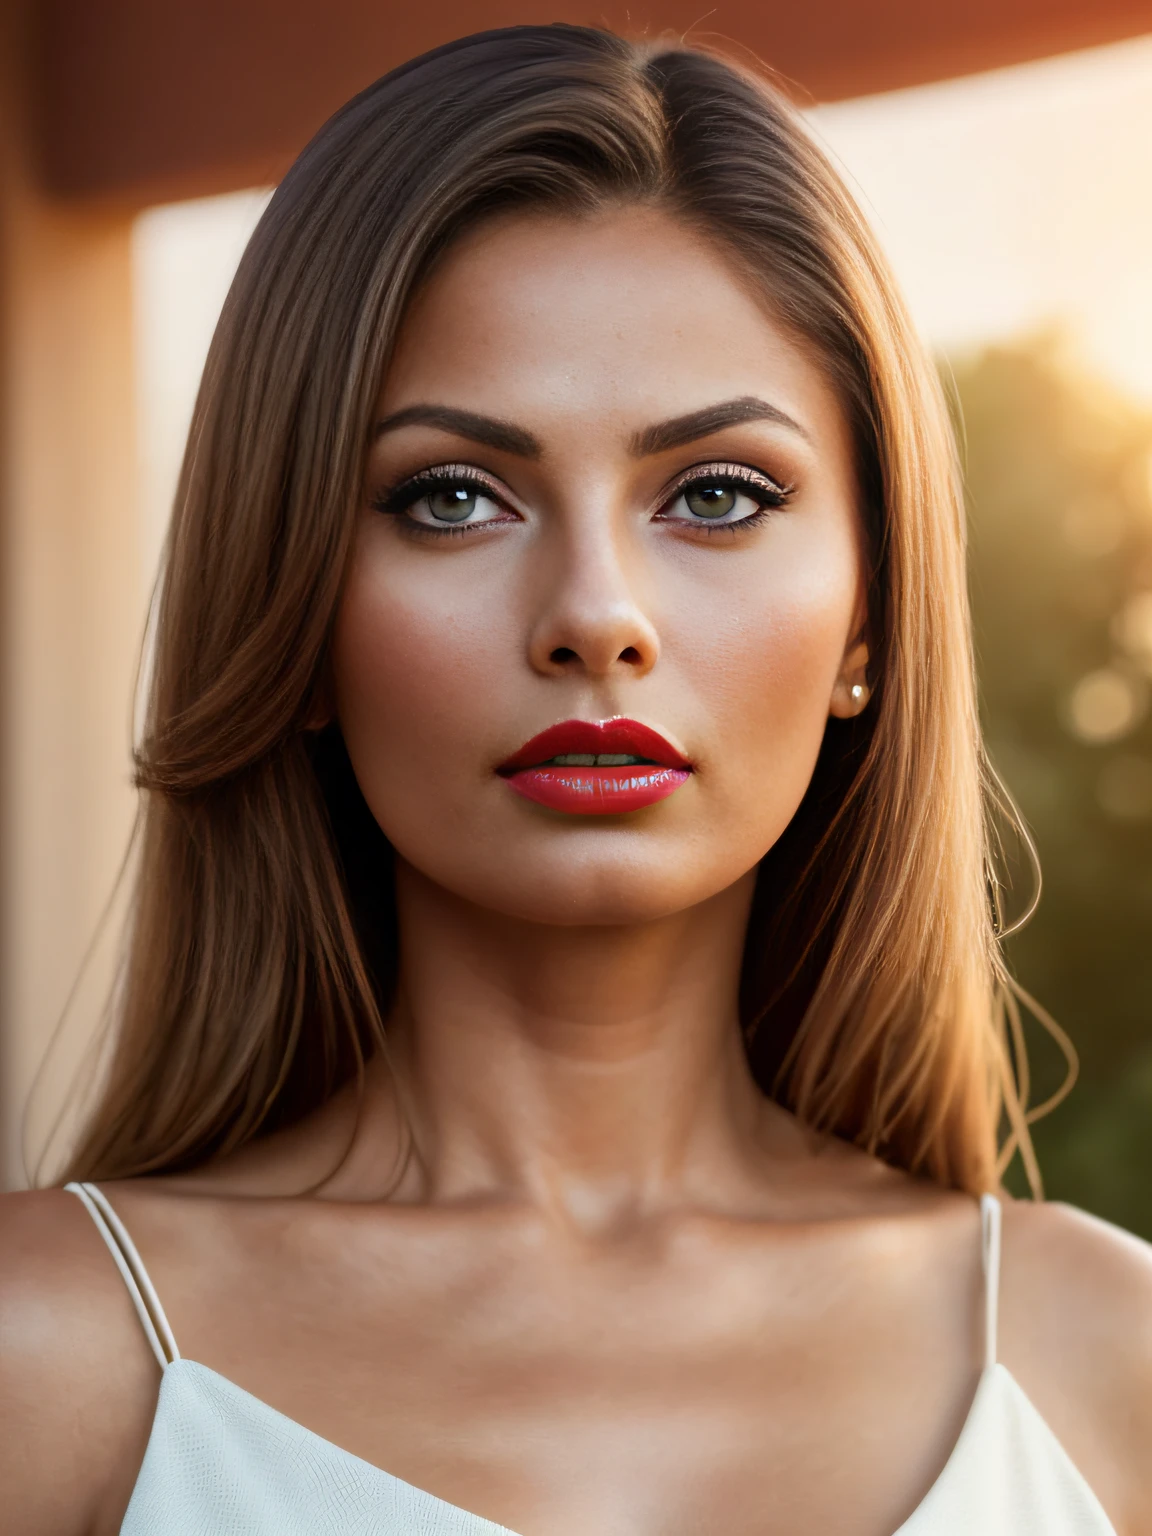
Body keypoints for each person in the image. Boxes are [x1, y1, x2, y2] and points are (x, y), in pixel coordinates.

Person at [1, 23, 1148, 1536]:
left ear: (869, 616)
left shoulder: (1106, 1363)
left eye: (719, 494)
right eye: (453, 496)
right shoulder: (51, 1362)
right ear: (295, 609)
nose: (597, 612)